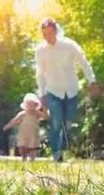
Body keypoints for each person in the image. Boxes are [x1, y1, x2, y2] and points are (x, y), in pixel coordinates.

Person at [35, 18, 100, 162]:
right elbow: (40, 73)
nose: (47, 37)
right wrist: (42, 94)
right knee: (57, 121)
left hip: (71, 90)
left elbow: (83, 63)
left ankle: (62, 150)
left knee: (68, 124)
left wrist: (92, 80)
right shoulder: (40, 51)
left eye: (50, 33)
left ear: (56, 31)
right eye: (44, 34)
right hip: (52, 91)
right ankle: (56, 153)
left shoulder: (69, 45)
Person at [3, 93, 48, 161]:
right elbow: (15, 120)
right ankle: (24, 158)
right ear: (25, 105)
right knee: (23, 147)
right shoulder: (22, 114)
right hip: (24, 134)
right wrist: (7, 126)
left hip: (33, 134)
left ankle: (32, 159)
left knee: (33, 147)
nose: (30, 106)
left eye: (32, 104)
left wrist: (44, 107)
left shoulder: (37, 114)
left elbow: (45, 117)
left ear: (36, 105)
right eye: (28, 104)